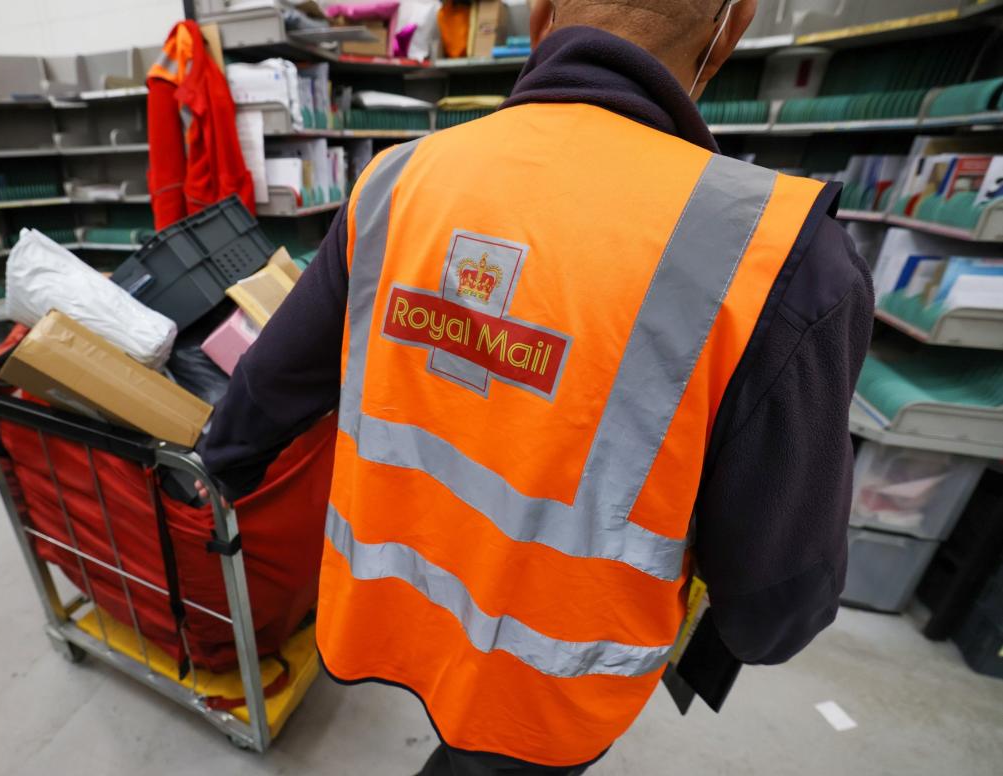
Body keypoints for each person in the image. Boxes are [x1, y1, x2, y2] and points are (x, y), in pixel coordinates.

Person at [199, 1, 873, 773]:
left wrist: (221, 461)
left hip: (390, 605)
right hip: (549, 675)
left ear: (541, 10)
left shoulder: (396, 180)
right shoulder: (787, 260)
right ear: (734, 27)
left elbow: (269, 390)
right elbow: (772, 608)